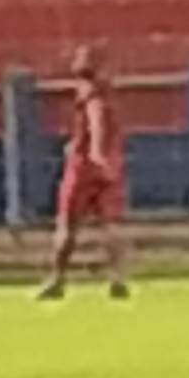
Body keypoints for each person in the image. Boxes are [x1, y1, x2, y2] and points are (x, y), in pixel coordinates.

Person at [37, 48, 133, 302]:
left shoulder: (91, 95)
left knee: (67, 224)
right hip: (110, 164)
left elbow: (96, 120)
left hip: (84, 167)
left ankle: (57, 280)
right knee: (110, 224)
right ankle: (117, 278)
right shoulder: (107, 94)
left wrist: (94, 152)